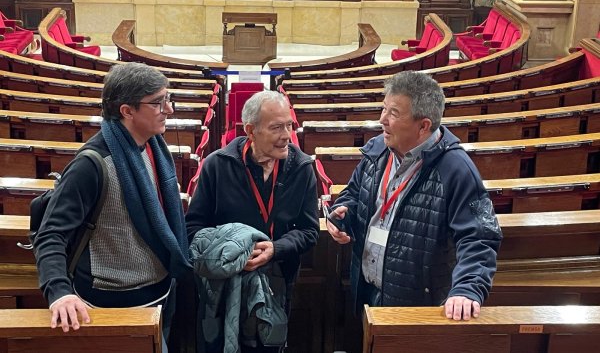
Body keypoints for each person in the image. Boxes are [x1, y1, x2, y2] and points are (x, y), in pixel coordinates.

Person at [34, 62, 191, 343]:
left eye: (168, 98)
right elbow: (50, 234)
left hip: (161, 291)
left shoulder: (154, 145)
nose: (169, 109)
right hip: (112, 304)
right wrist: (59, 291)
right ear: (127, 111)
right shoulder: (91, 165)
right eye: (158, 102)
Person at [326, 70, 502, 321]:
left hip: (414, 304)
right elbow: (354, 192)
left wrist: (467, 288)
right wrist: (344, 211)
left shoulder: (456, 170)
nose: (382, 120)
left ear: (423, 126)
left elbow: (480, 237)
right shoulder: (378, 149)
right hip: (365, 289)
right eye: (384, 108)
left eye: (393, 113)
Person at [186, 90, 319, 352]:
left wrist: (275, 248)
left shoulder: (302, 168)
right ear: (251, 131)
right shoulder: (217, 165)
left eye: (289, 125)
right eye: (276, 127)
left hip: (277, 280)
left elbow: (309, 230)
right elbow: (193, 228)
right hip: (224, 284)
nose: (287, 135)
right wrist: (230, 252)